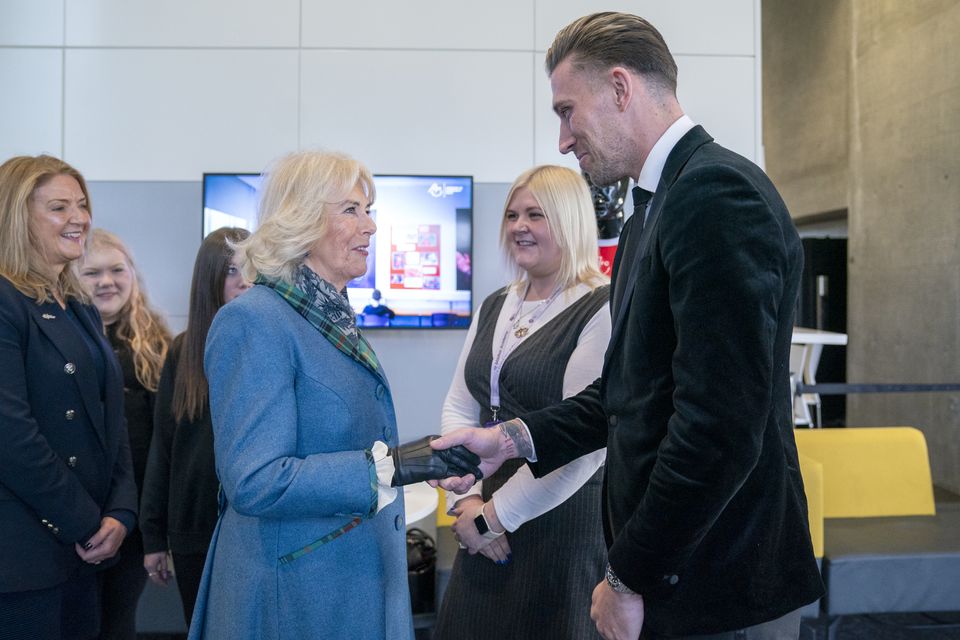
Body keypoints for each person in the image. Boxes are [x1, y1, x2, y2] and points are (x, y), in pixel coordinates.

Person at [432, 12, 824, 640]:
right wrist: (508, 440)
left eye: (567, 110)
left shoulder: (716, 193)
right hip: (679, 573)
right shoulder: (654, 207)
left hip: (719, 585)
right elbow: (623, 398)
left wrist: (627, 576)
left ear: (620, 88)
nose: (563, 139)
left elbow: (719, 428)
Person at [187, 151, 480, 640]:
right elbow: (256, 481)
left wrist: (424, 456)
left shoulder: (328, 318)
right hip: (293, 597)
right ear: (299, 221)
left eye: (369, 211)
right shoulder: (254, 320)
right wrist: (393, 467)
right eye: (351, 210)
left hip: (340, 584)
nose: (370, 227)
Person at [433, 165, 610, 639]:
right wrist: (468, 501)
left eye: (535, 214)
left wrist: (495, 518)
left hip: (561, 519)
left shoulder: (601, 306)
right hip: (481, 519)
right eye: (512, 215)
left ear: (569, 221)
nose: (518, 227)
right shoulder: (496, 303)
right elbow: (459, 406)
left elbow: (586, 443)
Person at [0, 155, 137, 639]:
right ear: (17, 216)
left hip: (84, 554)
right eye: (59, 207)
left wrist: (121, 513)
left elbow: (110, 420)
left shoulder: (78, 305)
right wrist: (85, 522)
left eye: (82, 205)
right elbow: (11, 435)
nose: (79, 218)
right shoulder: (5, 300)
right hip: (24, 559)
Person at [139, 226, 250, 626]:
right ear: (210, 280)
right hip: (194, 531)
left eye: (252, 268)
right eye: (232, 271)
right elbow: (164, 448)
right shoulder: (184, 351)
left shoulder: (271, 343)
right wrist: (153, 538)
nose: (246, 281)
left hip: (251, 528)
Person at [77, 229, 172, 640]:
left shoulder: (159, 348)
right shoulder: (58, 341)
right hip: (71, 516)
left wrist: (154, 529)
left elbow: (163, 449)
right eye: (92, 273)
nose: (106, 282)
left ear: (133, 274)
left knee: (115, 623)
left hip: (131, 520)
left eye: (117, 270)